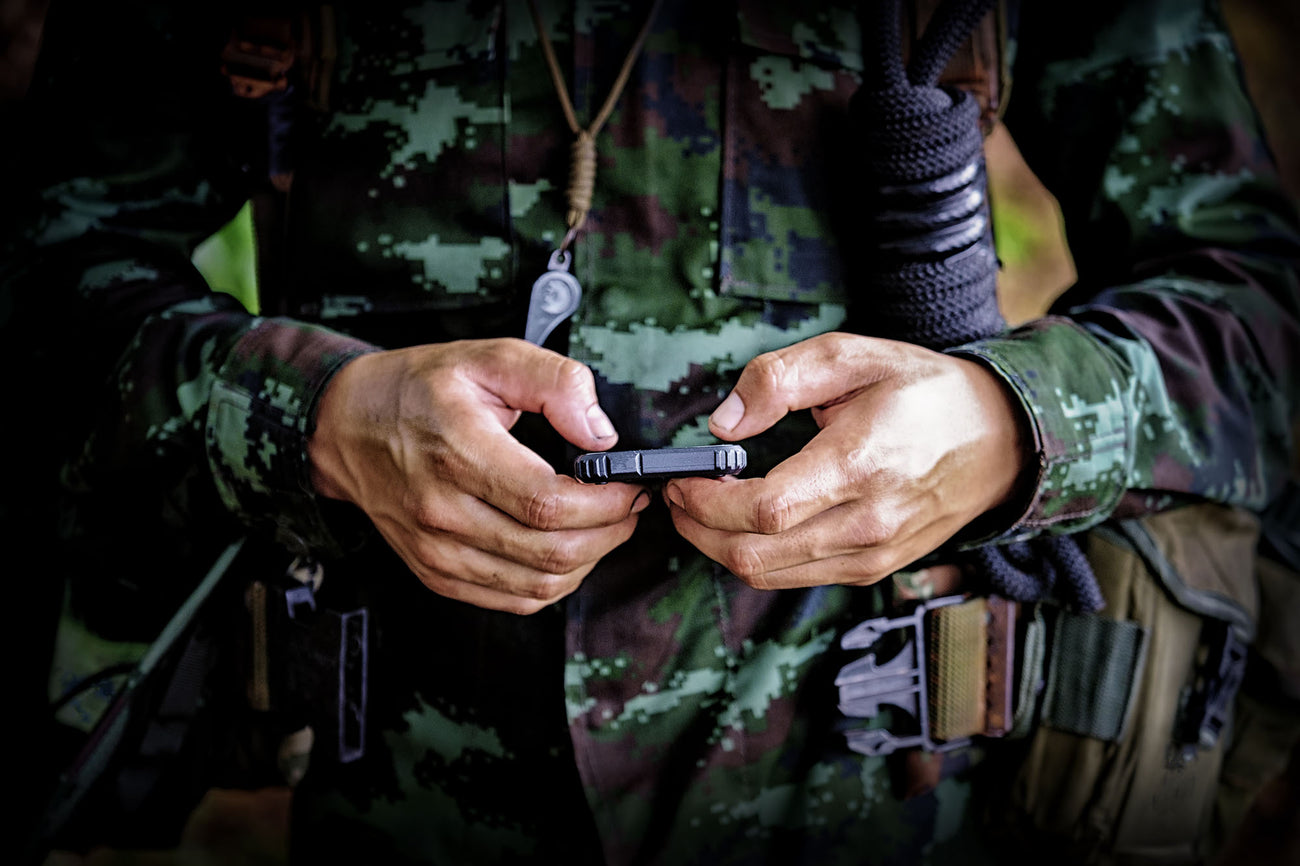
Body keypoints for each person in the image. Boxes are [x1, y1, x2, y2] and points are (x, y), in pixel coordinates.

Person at [4, 0, 1298, 864]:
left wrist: (1013, 422)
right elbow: (42, 278)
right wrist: (315, 417)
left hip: (882, 804)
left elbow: (1260, 315)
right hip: (395, 798)